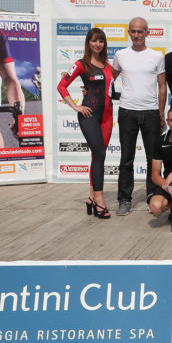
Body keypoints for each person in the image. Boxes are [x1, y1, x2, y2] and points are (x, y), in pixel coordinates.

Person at [57, 27, 115, 219]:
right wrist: (76, 106)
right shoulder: (81, 64)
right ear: (88, 43)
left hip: (108, 116)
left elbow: (110, 92)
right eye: (94, 40)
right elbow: (61, 86)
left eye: (101, 41)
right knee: (99, 154)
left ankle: (91, 197)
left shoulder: (108, 66)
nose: (97, 44)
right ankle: (100, 200)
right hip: (89, 115)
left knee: (98, 157)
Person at [112, 17, 167, 216]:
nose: (136, 35)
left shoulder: (157, 56)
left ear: (147, 33)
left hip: (151, 113)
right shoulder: (120, 55)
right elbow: (108, 80)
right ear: (129, 32)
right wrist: (90, 89)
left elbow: (162, 86)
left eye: (140, 31)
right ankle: (124, 199)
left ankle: (153, 196)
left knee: (153, 159)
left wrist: (161, 113)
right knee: (127, 158)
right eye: (133, 31)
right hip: (127, 112)